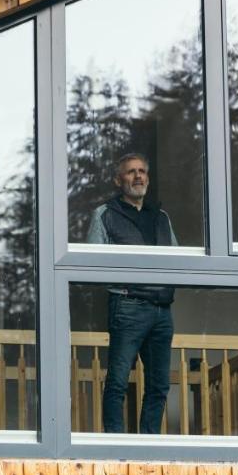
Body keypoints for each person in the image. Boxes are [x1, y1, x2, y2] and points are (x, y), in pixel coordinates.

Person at [86, 152, 177, 434]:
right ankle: (115, 443)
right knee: (118, 381)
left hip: (162, 309)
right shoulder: (105, 214)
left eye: (142, 171)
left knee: (159, 384)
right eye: (130, 172)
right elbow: (92, 263)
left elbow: (178, 258)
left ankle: (148, 444)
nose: (138, 176)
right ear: (118, 180)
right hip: (128, 304)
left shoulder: (161, 217)